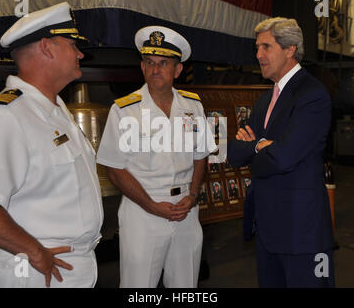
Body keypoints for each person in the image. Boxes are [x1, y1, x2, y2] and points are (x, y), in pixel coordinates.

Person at [0, 2, 103, 288]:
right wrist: (34, 251)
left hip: (67, 266)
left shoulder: (53, 109)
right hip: (36, 271)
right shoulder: (7, 115)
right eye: (72, 44)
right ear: (47, 47)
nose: (80, 53)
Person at [97, 26, 216, 288]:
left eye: (163, 63)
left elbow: (201, 155)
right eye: (149, 62)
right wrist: (151, 205)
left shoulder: (192, 105)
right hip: (143, 211)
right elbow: (114, 168)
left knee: (186, 285)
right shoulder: (125, 110)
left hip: (186, 208)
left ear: (177, 70)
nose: (155, 69)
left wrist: (193, 195)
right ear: (142, 67)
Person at [227, 17, 334, 288]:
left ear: (289, 49)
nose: (258, 55)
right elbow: (234, 153)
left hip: (301, 233)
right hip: (267, 231)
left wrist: (261, 149)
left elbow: (284, 157)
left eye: (266, 47)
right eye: (257, 48)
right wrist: (259, 146)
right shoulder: (265, 100)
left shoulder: (312, 95)